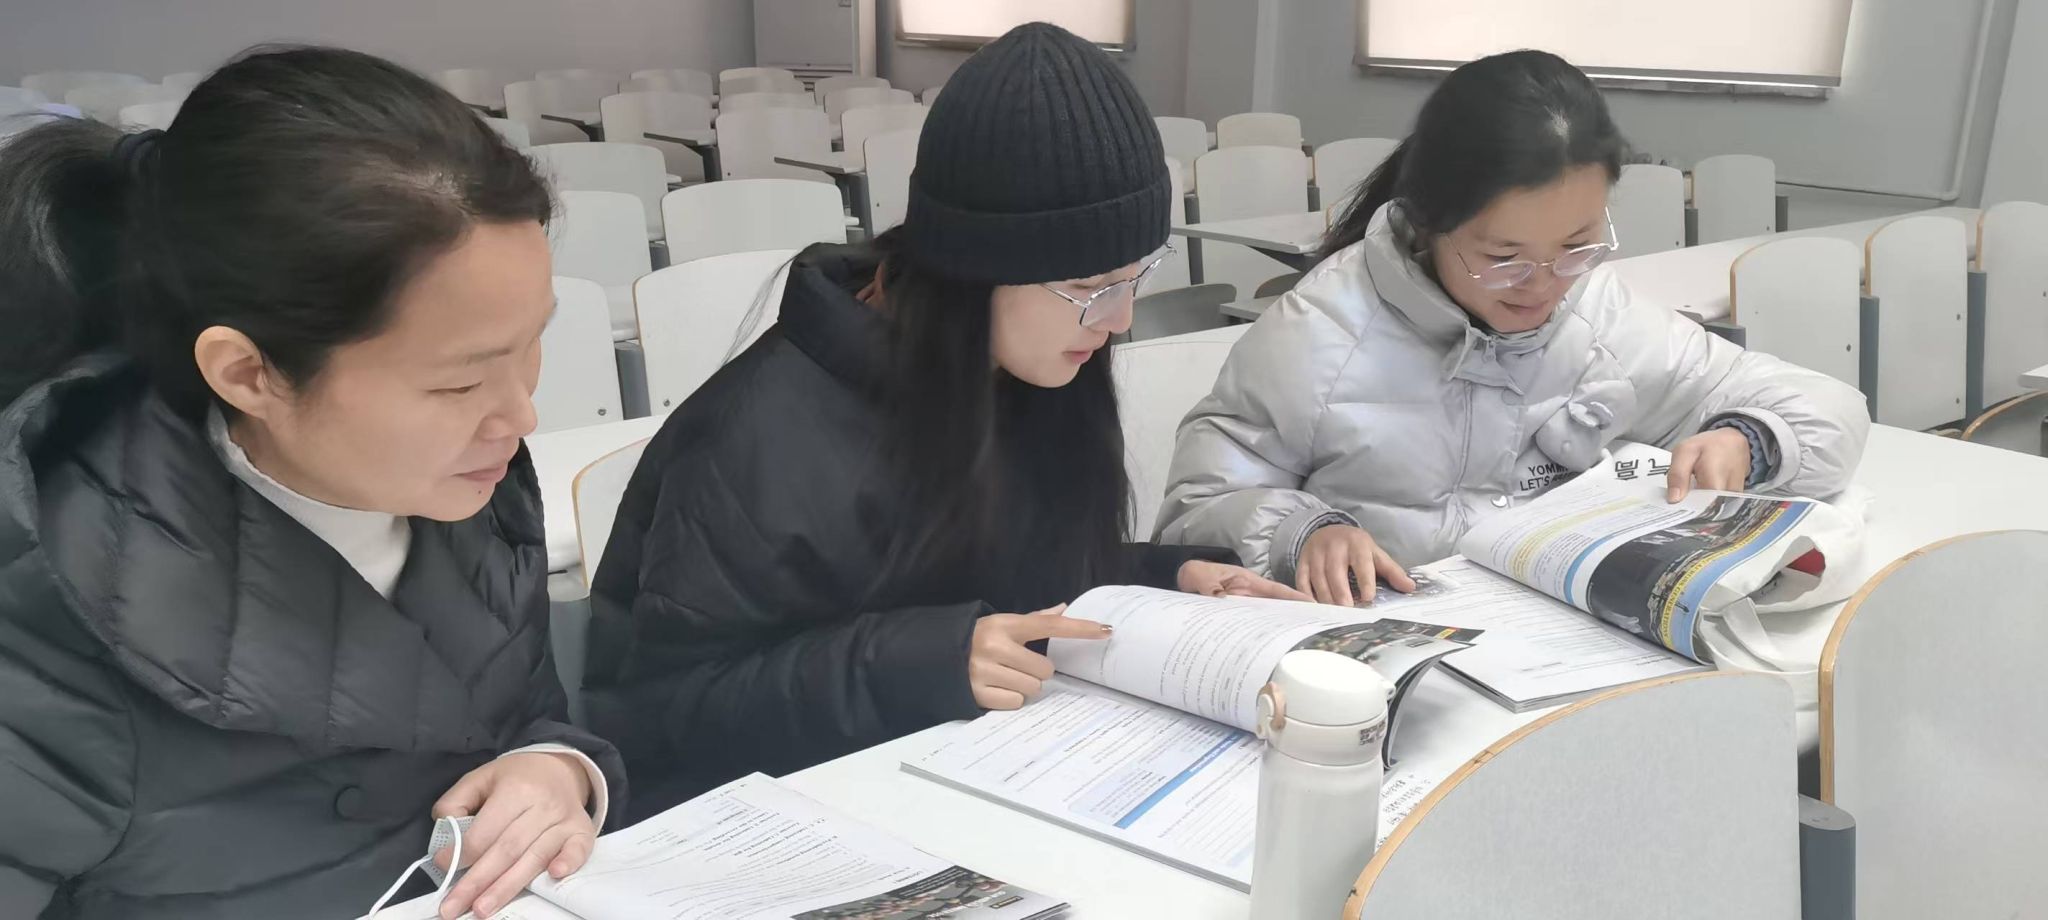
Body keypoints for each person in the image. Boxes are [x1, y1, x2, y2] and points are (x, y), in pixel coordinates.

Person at [583, 22, 1301, 815]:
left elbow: (1010, 575)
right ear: (975, 266)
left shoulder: (1023, 371)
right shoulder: (756, 437)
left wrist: (1169, 578)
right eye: (1090, 286)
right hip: (781, 818)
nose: (1120, 318)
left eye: (1137, 276)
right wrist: (923, 663)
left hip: (958, 774)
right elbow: (664, 715)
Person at [0, 48, 621, 920]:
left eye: (533, 346)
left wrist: (556, 771)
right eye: (459, 383)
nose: (520, 415)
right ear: (248, 374)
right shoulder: (50, 617)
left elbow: (520, 712)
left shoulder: (463, 488)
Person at [1153, 50, 1870, 606]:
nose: (1545, 285)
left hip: (1566, 643)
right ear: (1429, 222)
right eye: (1504, 259)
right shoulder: (1317, 337)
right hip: (1389, 654)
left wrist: (1747, 441)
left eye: (1577, 246)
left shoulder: (1598, 313)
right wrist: (1302, 532)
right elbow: (1194, 512)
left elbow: (1828, 408)